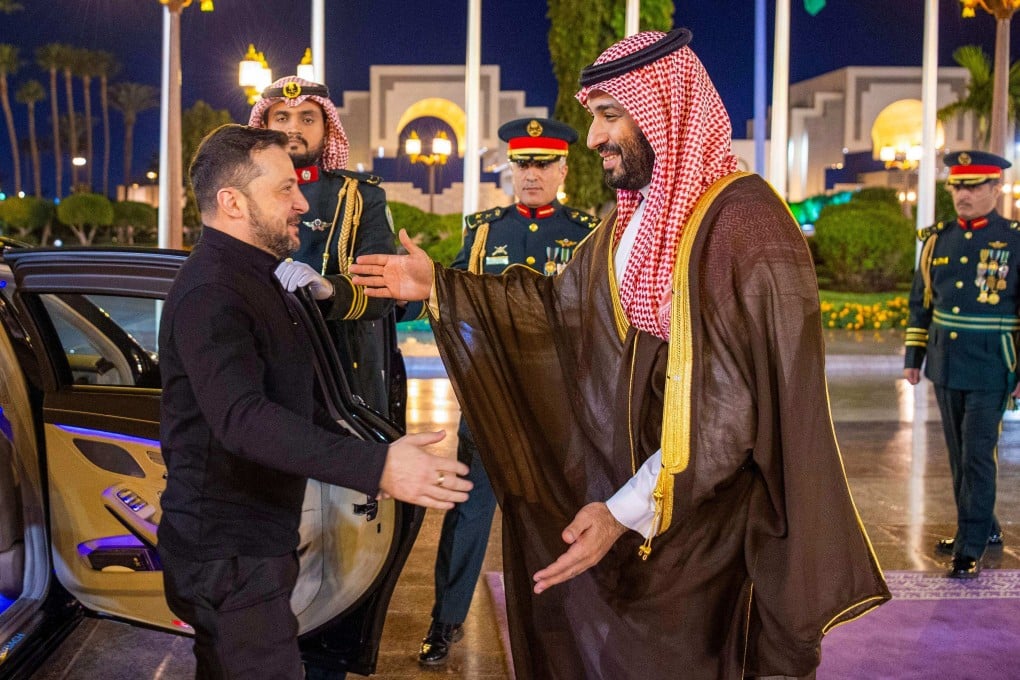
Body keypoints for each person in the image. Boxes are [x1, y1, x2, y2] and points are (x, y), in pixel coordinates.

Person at [351, 28, 889, 680]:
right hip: (633, 515)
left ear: (665, 110)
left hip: (708, 531)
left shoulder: (743, 224)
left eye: (611, 115)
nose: (596, 137)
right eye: (593, 117)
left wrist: (624, 510)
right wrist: (439, 284)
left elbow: (729, 411)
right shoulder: (626, 222)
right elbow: (555, 312)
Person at [157, 124, 472, 679]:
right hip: (229, 555)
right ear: (231, 201)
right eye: (284, 189)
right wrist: (377, 466)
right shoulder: (214, 291)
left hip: (253, 543)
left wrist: (383, 444)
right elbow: (243, 420)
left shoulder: (259, 279)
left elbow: (300, 393)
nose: (303, 201)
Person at [417, 117, 598, 666]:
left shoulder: (588, 232)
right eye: (523, 164)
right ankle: (444, 622)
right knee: (469, 513)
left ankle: (569, 620)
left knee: (562, 515)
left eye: (544, 164)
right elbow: (451, 294)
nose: (533, 174)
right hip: (492, 397)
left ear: (564, 168)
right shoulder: (484, 230)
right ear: (511, 169)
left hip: (558, 404)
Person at [249, 76, 403, 424]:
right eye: (282, 118)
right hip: (264, 378)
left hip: (343, 381)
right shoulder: (241, 196)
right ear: (265, 125)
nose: (294, 128)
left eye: (307, 118)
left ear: (326, 128)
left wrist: (330, 288)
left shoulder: (361, 196)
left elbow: (382, 293)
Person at [904, 150, 1015, 580]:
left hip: (992, 364)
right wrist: (914, 357)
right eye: (956, 186)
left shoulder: (1015, 239)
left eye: (972, 187)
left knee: (977, 456)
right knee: (957, 455)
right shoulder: (938, 239)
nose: (962, 195)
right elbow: (922, 302)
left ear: (995, 188)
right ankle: (982, 527)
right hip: (946, 364)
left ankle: (970, 546)